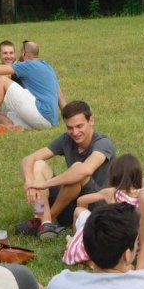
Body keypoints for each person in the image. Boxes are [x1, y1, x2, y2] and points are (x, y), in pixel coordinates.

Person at [16, 100, 116, 238]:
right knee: (38, 165)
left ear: (91, 121)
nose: (75, 132)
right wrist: (30, 183)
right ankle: (46, 224)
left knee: (77, 170)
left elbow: (85, 170)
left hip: (96, 208)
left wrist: (45, 184)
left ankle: (46, 220)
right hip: (71, 206)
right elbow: (29, 159)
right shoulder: (67, 139)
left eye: (79, 126)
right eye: (70, 127)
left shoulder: (103, 143)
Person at [62, 154, 142, 266]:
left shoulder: (112, 193)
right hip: (131, 248)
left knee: (78, 210)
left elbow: (81, 200)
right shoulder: (143, 196)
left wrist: (86, 225)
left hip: (107, 242)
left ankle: (77, 242)